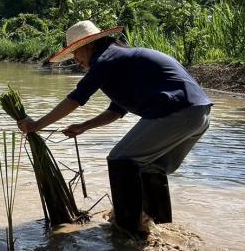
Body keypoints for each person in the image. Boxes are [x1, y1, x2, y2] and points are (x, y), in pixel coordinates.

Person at [17, 20, 212, 235]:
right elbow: (116, 110)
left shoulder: (105, 59)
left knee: (121, 160)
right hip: (198, 114)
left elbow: (76, 98)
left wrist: (35, 125)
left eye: (76, 52)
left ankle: (126, 232)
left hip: (177, 111)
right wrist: (84, 126)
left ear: (89, 45)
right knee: (151, 166)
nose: (75, 59)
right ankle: (159, 226)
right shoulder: (119, 59)